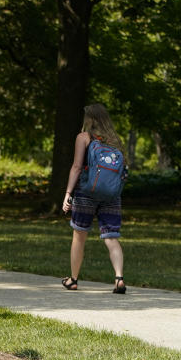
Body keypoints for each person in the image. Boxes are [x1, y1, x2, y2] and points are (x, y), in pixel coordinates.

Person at [60, 104, 127, 294]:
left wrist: (68, 194)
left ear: (88, 119)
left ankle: (73, 279)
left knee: (79, 236)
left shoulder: (83, 138)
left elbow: (76, 167)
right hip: (111, 195)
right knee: (112, 237)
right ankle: (119, 278)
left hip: (86, 193)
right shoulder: (115, 141)